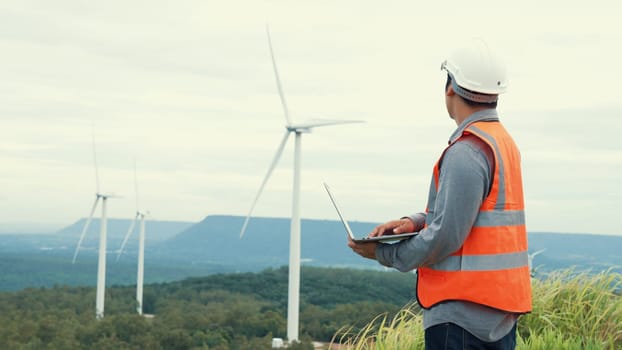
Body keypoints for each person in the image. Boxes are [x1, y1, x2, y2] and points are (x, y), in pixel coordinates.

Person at [348, 39, 532, 350]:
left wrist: (383, 254)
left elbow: (446, 236)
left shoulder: (467, 152)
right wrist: (414, 222)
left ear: (450, 87)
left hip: (460, 320)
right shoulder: (503, 144)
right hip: (498, 316)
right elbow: (476, 215)